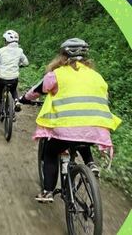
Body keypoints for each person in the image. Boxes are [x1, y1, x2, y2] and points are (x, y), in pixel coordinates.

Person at [19, 38, 121, 202]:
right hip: (96, 128)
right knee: (83, 137)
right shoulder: (97, 77)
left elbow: (36, 90)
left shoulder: (56, 74)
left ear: (62, 56)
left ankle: (47, 192)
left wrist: (24, 98)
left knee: (50, 152)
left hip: (65, 129)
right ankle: (90, 164)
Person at [0, 30, 28, 119]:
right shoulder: (20, 51)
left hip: (2, 77)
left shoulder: (0, 51)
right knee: (13, 89)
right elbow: (26, 63)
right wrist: (19, 65)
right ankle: (16, 101)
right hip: (14, 78)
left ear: (6, 41)